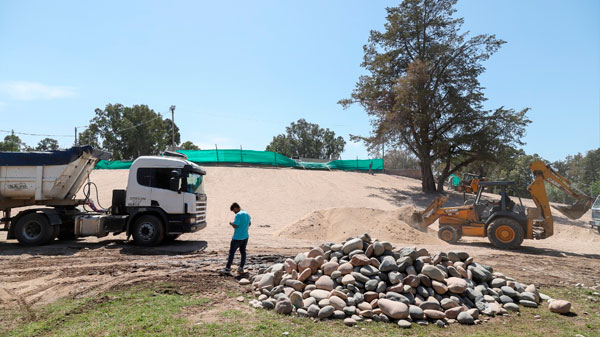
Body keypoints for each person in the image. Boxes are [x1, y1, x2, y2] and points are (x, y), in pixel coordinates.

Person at [221, 202, 251, 275]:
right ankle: (241, 268)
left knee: (232, 253)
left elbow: (236, 226)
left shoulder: (238, 215)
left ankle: (227, 268)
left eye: (233, 211)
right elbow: (249, 224)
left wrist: (231, 223)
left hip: (237, 237)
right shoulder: (247, 214)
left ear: (235, 208)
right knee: (243, 252)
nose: (234, 212)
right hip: (245, 237)